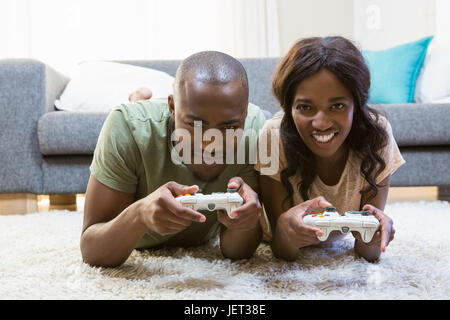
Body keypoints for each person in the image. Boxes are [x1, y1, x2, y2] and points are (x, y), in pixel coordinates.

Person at [80, 51, 270, 267]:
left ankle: (145, 101)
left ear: (245, 114)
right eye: (193, 124)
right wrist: (139, 214)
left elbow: (237, 252)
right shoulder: (126, 126)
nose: (209, 143)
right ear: (172, 107)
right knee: (136, 117)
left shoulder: (254, 128)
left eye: (228, 127)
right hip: (147, 123)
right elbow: (92, 251)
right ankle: (138, 99)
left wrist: (245, 223)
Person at [255, 36, 405, 262]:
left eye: (337, 106)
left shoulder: (376, 136)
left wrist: (373, 237)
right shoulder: (273, 136)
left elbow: (367, 253)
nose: (321, 123)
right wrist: (285, 229)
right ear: (289, 108)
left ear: (357, 104)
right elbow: (281, 249)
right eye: (305, 107)